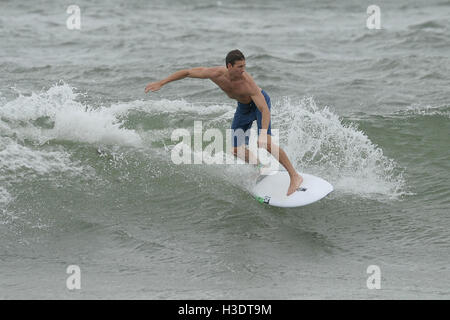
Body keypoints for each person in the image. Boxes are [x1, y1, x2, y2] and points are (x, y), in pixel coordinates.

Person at [145, 49, 303, 196]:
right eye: (240, 67)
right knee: (235, 150)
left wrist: (262, 134)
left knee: (267, 142)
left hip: (259, 106)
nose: (243, 70)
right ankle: (261, 167)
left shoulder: (248, 83)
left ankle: (294, 176)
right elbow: (187, 72)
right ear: (229, 66)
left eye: (244, 66)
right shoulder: (215, 74)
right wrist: (162, 82)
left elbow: (264, 110)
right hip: (243, 108)